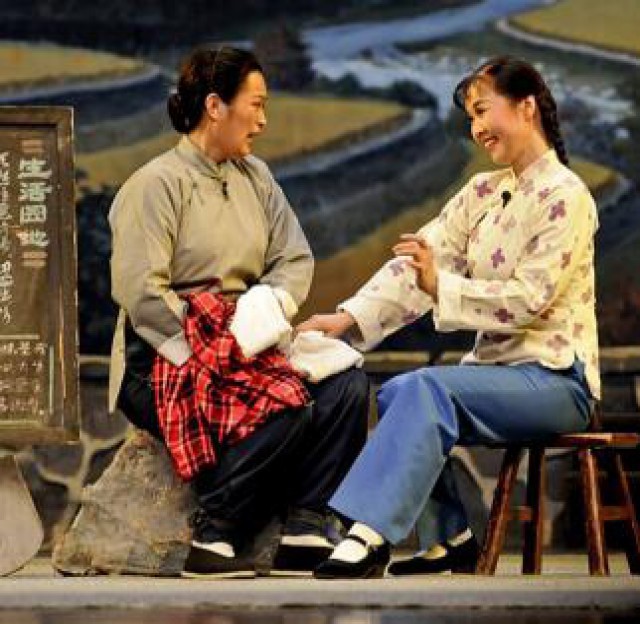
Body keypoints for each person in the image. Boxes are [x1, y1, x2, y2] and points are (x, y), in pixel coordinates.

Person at [297, 56, 599, 578]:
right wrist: (347, 318)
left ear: (526, 107)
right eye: (470, 117)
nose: (476, 127)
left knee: (425, 390)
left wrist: (443, 286)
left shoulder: (567, 196)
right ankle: (450, 540)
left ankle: (366, 533)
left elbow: (530, 298)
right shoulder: (481, 192)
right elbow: (416, 266)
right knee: (398, 392)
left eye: (482, 110)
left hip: (556, 379)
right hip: (499, 376)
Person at [107, 46, 369, 579]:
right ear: (214, 106)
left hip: (250, 338)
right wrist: (216, 347)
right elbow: (142, 291)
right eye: (256, 104)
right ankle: (216, 535)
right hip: (163, 353)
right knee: (282, 402)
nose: (264, 119)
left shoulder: (257, 177)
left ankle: (304, 527)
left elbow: (293, 258)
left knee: (347, 389)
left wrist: (264, 314)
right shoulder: (155, 184)